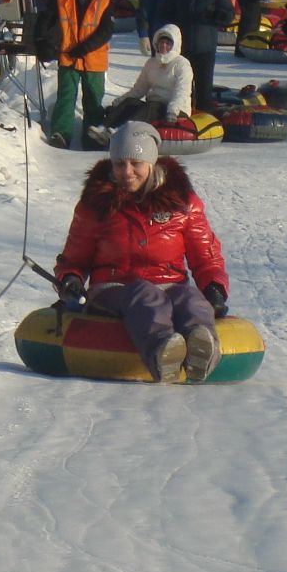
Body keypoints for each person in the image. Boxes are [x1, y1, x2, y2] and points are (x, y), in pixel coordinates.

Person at [54, 121, 230, 382]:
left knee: (190, 298)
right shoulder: (95, 204)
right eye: (119, 164)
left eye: (136, 163)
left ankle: (200, 349)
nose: (127, 172)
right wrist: (70, 278)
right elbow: (74, 257)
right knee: (145, 294)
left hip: (170, 285)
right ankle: (162, 350)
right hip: (113, 288)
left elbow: (205, 255)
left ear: (151, 163)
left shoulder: (183, 203)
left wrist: (214, 286)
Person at [46, 0, 115, 149]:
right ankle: (61, 134)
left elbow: (106, 31)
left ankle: (92, 137)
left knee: (93, 100)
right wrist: (46, 44)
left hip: (94, 59)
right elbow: (48, 21)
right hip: (68, 57)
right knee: (66, 97)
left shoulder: (105, 0)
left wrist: (85, 47)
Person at [88, 24, 194, 142]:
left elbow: (182, 91)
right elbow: (139, 89)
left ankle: (121, 131)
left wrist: (173, 109)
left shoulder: (182, 64)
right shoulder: (152, 63)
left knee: (151, 107)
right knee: (130, 103)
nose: (164, 46)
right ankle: (103, 128)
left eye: (168, 43)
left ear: (174, 45)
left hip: (175, 109)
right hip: (154, 103)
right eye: (161, 42)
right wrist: (119, 102)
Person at [159, 0, 234, 111]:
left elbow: (229, 13)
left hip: (204, 47)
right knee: (181, 88)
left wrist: (216, 15)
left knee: (204, 91)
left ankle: (204, 122)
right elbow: (166, 13)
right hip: (181, 48)